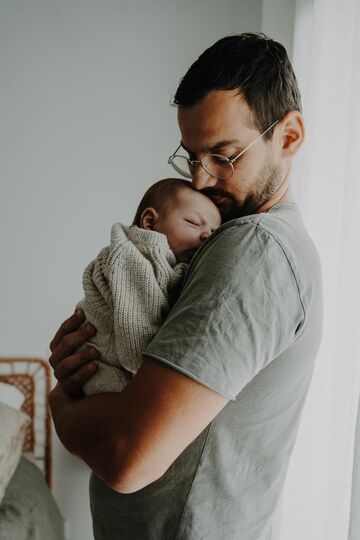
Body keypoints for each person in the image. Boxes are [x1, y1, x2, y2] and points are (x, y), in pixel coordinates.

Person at [48, 32, 323, 540]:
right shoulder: (245, 244)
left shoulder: (256, 249)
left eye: (224, 155)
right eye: (192, 156)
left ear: (289, 137)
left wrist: (62, 406)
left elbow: (129, 458)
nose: (199, 180)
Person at [76, 177, 221, 395]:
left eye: (213, 232)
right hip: (103, 365)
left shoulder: (170, 265)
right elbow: (135, 336)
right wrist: (151, 379)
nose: (206, 235)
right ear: (150, 222)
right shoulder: (132, 259)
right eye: (193, 222)